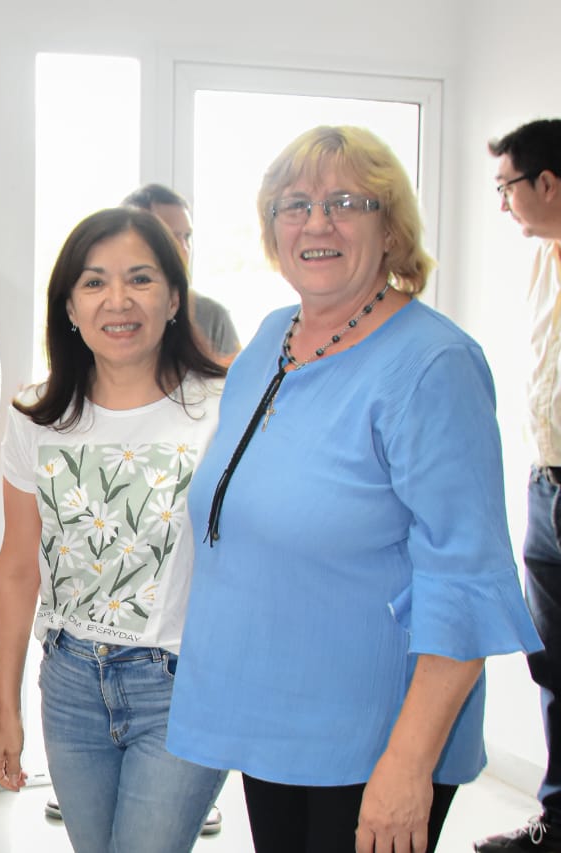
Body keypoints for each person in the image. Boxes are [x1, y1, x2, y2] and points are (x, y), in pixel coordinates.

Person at [165, 125, 542, 853]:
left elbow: (464, 583)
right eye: (295, 205)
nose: (317, 223)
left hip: (376, 737)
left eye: (346, 202)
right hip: (276, 721)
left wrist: (408, 765)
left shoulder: (433, 365)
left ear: (390, 227)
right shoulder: (271, 340)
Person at [0, 206, 228, 853]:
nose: (117, 300)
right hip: (70, 684)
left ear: (174, 298)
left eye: (140, 278)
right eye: (94, 282)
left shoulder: (221, 408)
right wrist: (6, 707)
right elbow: (17, 566)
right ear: (68, 306)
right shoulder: (36, 415)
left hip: (181, 685)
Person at [476, 118, 561, 853]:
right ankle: (557, 822)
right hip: (548, 484)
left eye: (507, 187)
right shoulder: (544, 260)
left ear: (548, 183)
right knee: (553, 662)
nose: (502, 204)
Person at [123, 182, 241, 358]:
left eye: (187, 236)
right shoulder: (110, 310)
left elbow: (235, 375)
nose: (183, 248)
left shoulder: (212, 316)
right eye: (170, 236)